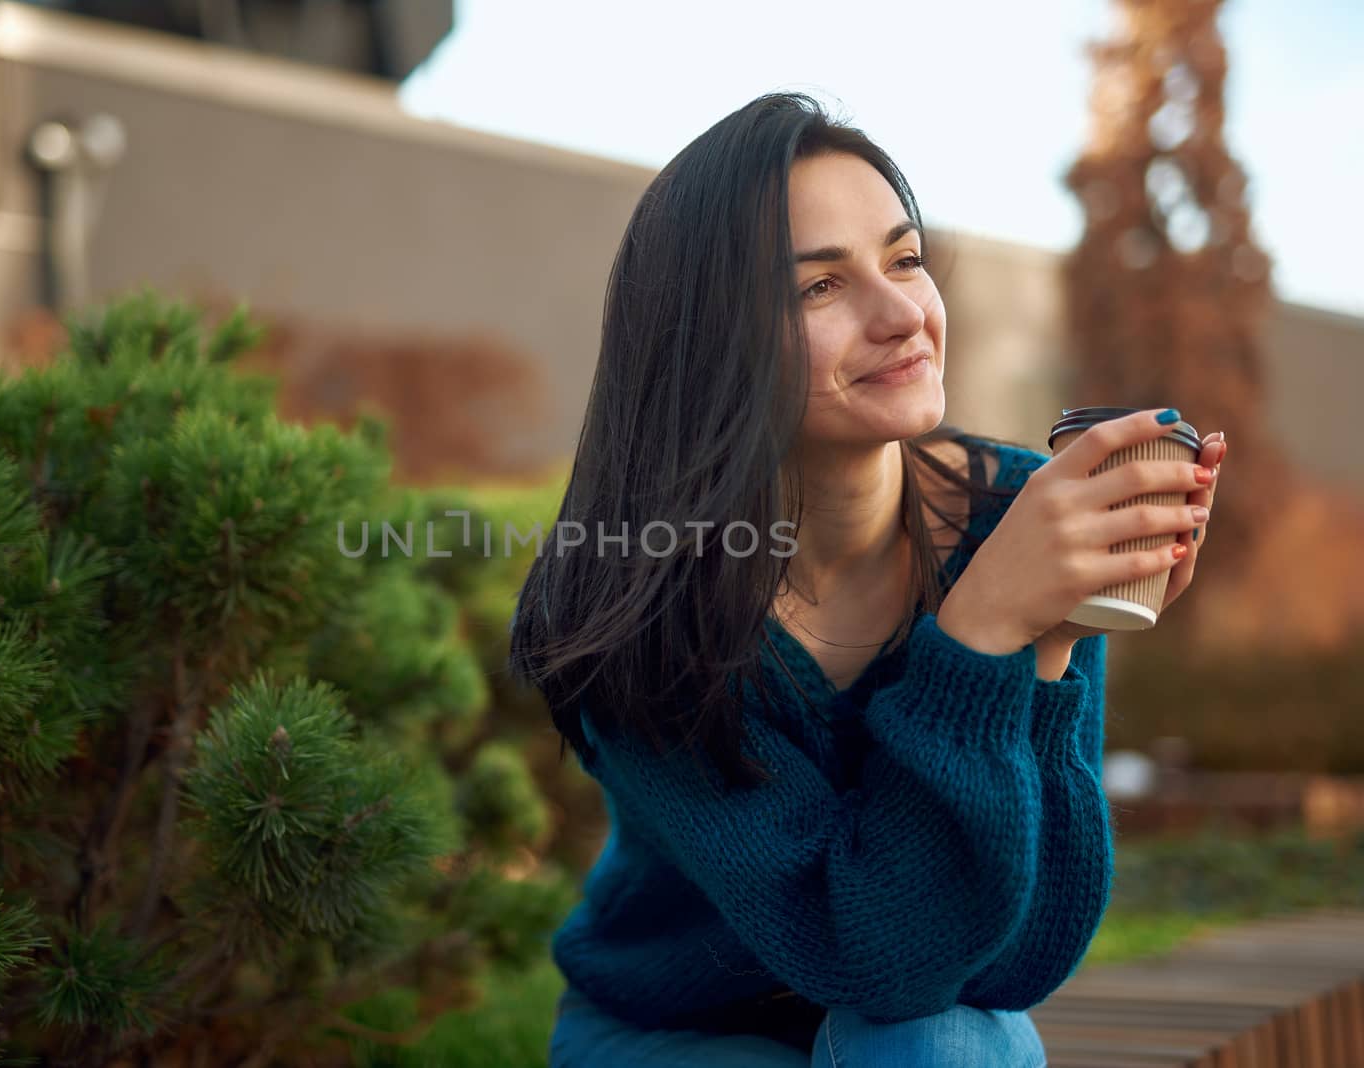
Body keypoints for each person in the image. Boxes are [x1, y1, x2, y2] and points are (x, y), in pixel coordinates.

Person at [505, 91, 1228, 1067]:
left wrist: (1051, 638)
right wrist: (977, 633)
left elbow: (1018, 965)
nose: (902, 316)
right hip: (679, 1031)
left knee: (949, 1039)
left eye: (904, 258)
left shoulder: (1021, 519)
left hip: (915, 1029)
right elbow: (867, 954)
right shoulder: (620, 598)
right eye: (819, 288)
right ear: (708, 334)